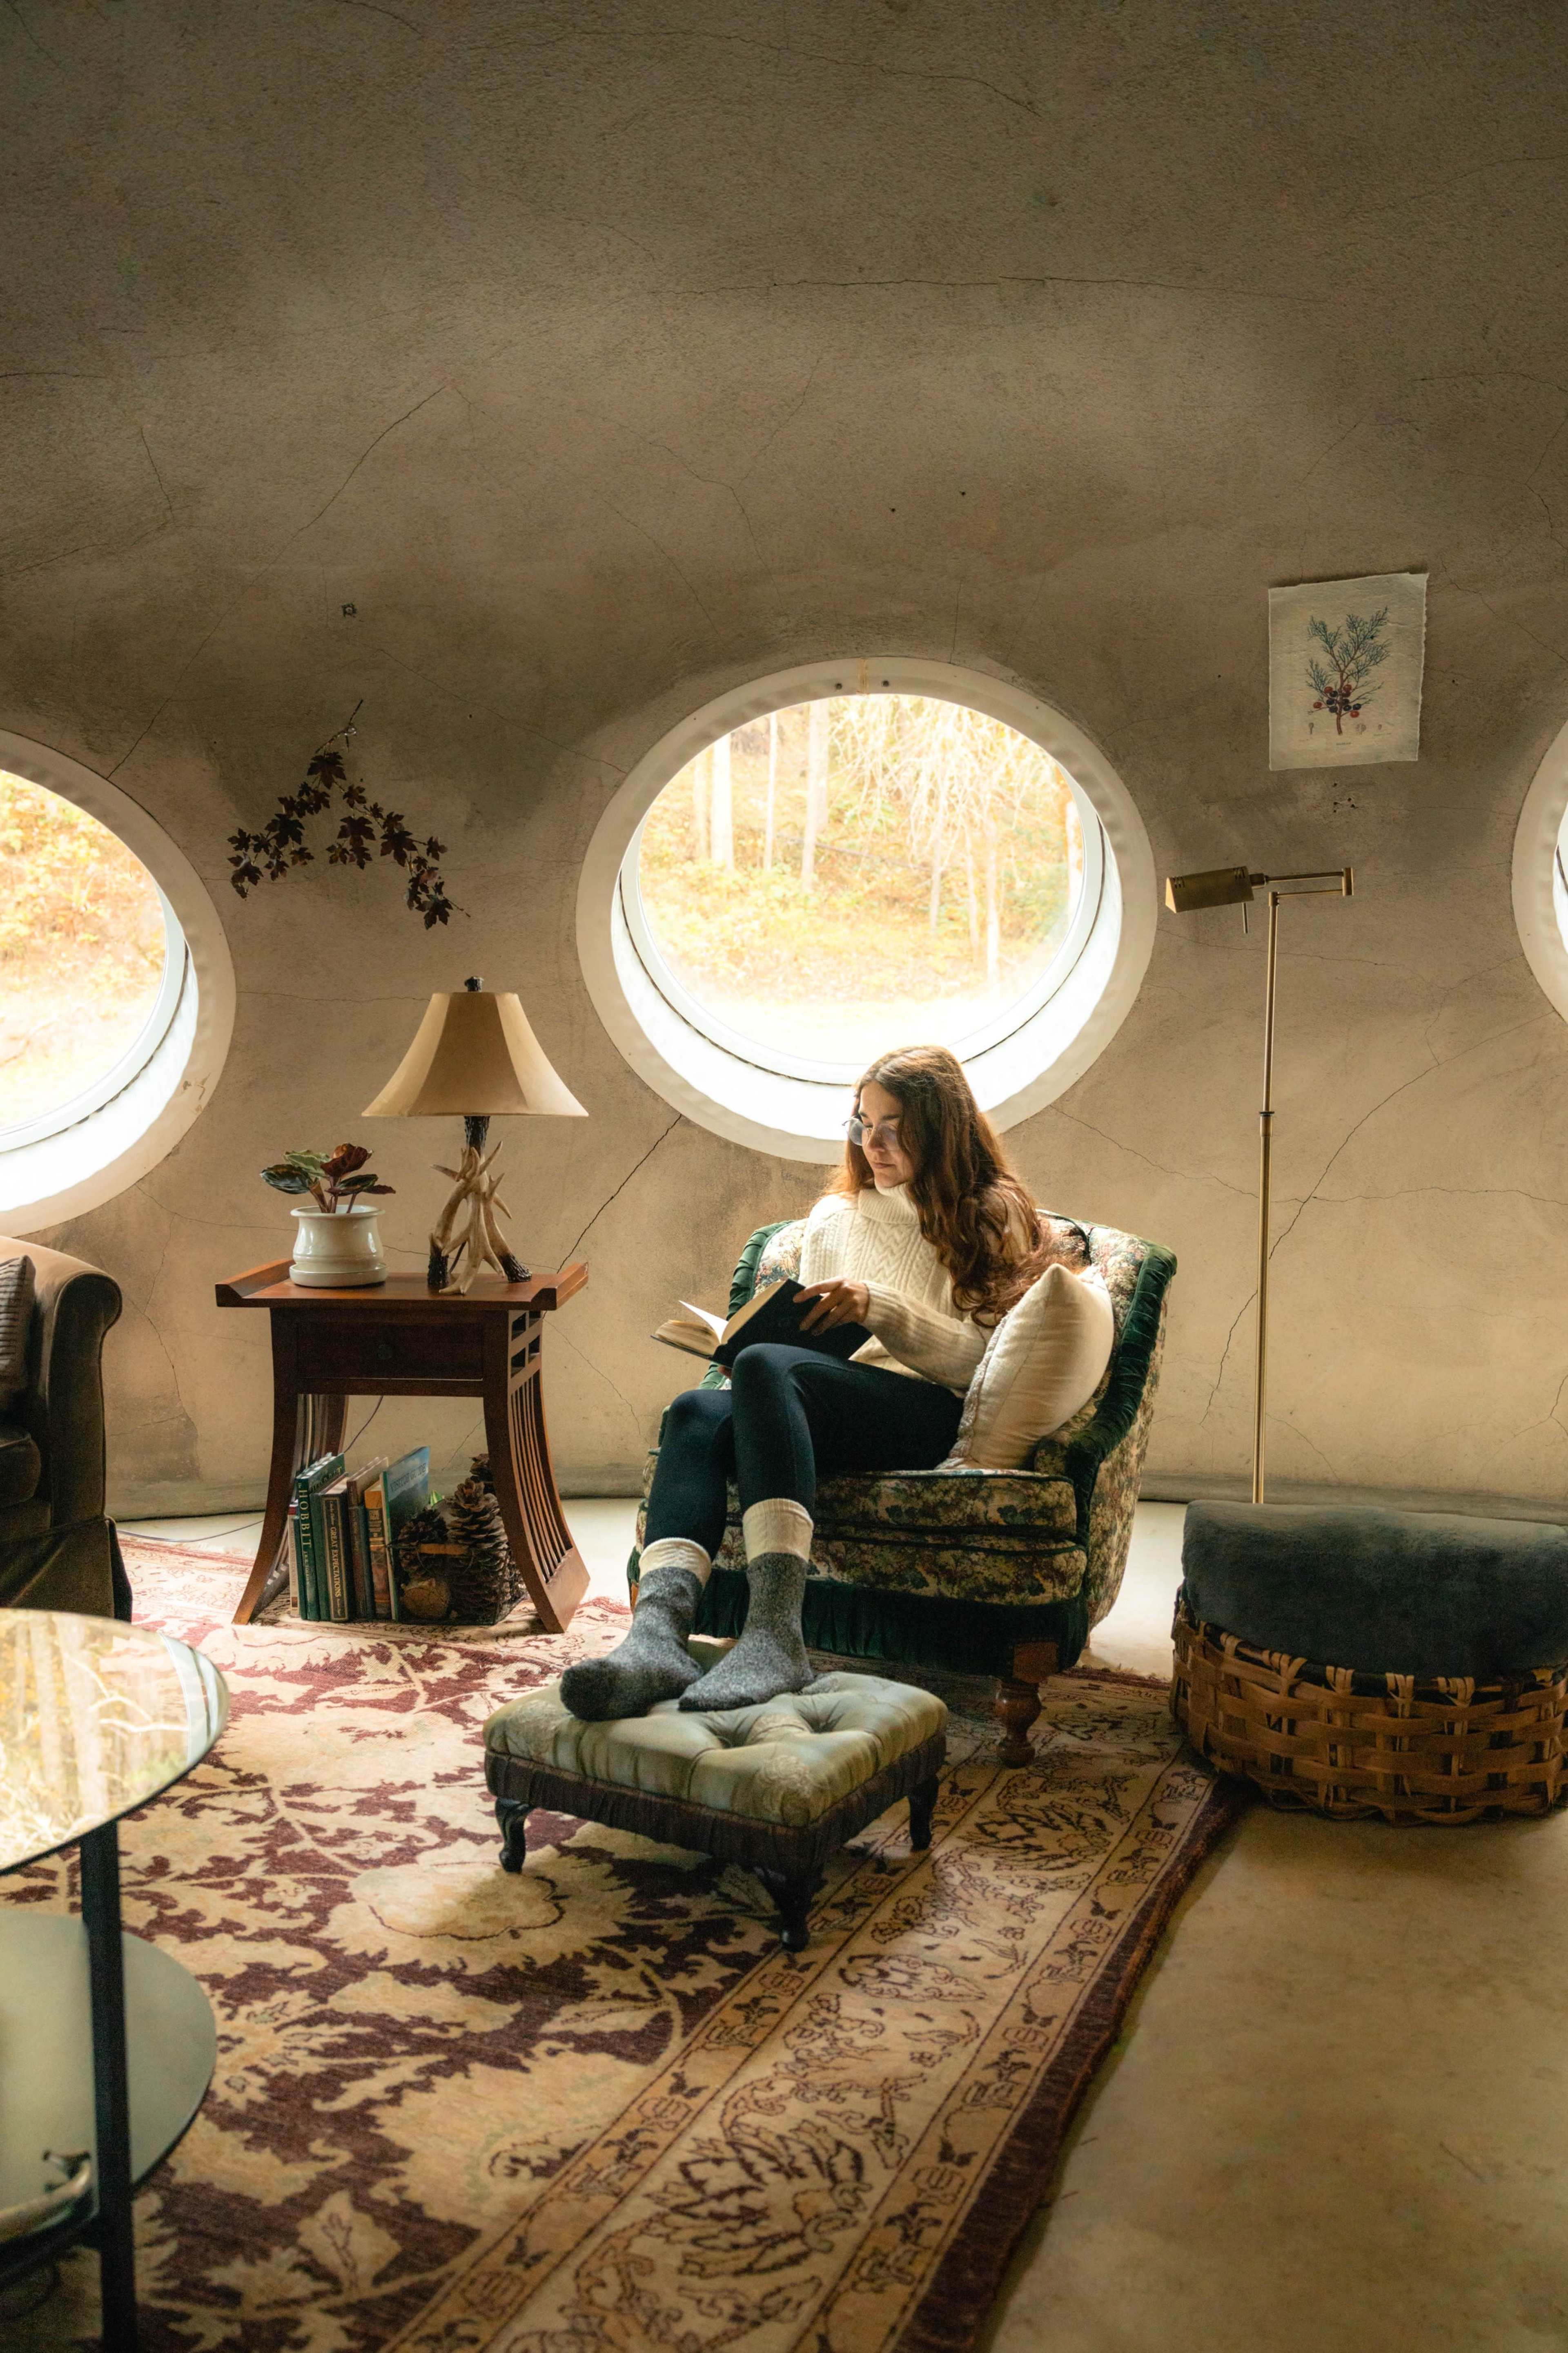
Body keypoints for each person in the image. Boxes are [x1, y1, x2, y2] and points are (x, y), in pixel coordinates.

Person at [561, 1044, 1048, 1723]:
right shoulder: (834, 1217)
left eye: (893, 1125)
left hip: (927, 1411)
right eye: (862, 1122)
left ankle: (774, 1634)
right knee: (695, 1412)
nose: (872, 1143)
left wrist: (880, 1307)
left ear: (941, 1126)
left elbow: (984, 1366)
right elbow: (805, 1355)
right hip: (824, 1409)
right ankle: (656, 1640)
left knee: (765, 1370)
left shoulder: (989, 1213)